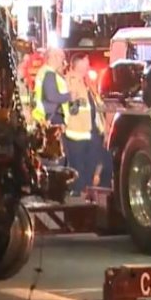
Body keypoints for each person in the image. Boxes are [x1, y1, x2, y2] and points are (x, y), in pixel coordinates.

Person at [65, 53, 112, 195]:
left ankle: (87, 193)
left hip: (91, 131)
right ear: (79, 64)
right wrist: (76, 102)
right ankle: (78, 196)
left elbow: (96, 106)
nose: (88, 64)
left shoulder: (87, 82)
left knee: (94, 162)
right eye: (86, 61)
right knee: (78, 167)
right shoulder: (71, 81)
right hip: (77, 132)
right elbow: (72, 108)